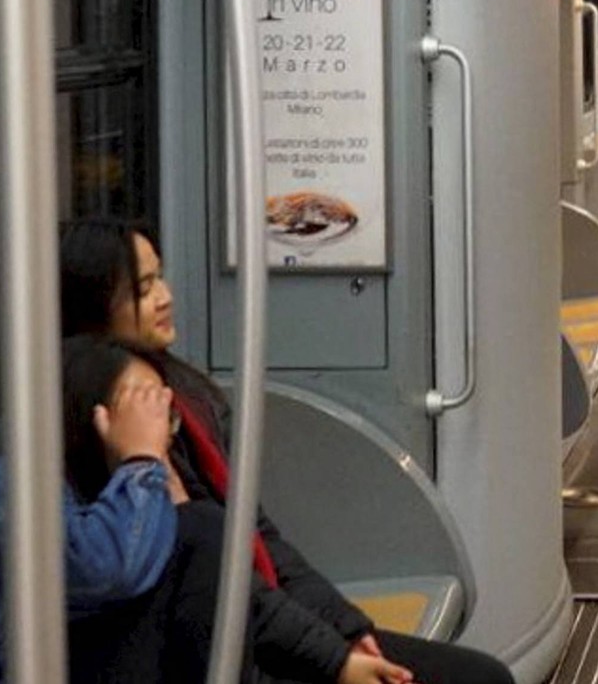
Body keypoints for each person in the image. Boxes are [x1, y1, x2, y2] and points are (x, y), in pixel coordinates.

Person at [60, 218, 513, 684]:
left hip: (265, 623)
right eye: (143, 288)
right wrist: (333, 660)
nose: (165, 297)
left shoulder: (185, 395)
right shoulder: (116, 425)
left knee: (481, 676)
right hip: (228, 642)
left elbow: (256, 538)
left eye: (160, 277)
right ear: (94, 302)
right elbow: (214, 575)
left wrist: (344, 627)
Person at [0, 335, 182, 684]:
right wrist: (141, 461)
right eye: (136, 411)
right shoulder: (9, 492)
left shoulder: (98, 482)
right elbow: (106, 571)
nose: (155, 430)